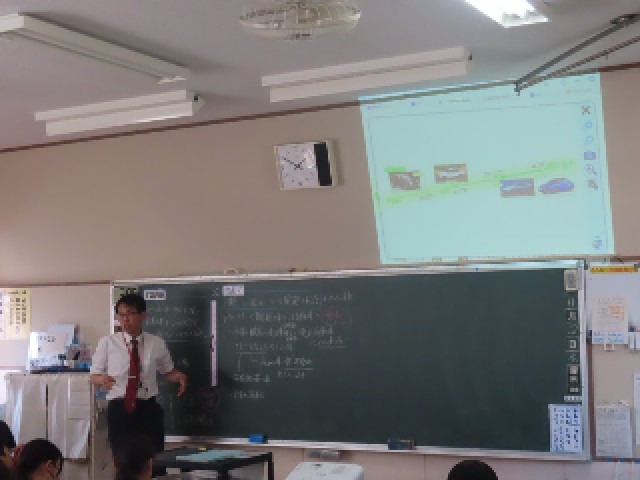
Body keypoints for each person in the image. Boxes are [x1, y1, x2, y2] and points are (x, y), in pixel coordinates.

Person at [90, 293, 187, 457]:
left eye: (130, 314)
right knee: (124, 458)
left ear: (143, 315)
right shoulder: (107, 343)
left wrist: (179, 376)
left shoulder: (156, 343)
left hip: (147, 407)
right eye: (121, 315)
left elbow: (168, 372)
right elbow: (93, 375)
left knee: (154, 457)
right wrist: (102, 379)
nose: (125, 320)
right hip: (120, 408)